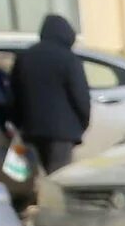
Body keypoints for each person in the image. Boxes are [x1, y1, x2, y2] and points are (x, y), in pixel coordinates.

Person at [5, 13, 94, 177]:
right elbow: (80, 96)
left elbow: (15, 93)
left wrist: (17, 121)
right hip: (63, 132)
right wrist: (83, 123)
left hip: (32, 128)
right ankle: (52, 202)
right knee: (59, 175)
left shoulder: (25, 57)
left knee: (35, 174)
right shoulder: (69, 59)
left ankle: (36, 200)